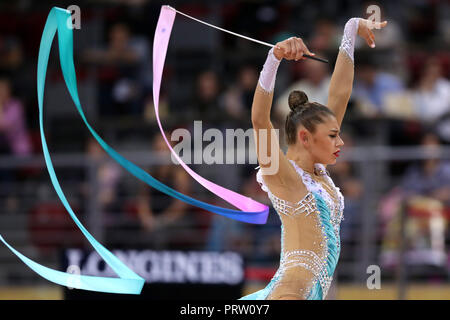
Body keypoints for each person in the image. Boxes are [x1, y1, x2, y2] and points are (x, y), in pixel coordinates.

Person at [240, 18, 387, 300]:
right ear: (306, 138)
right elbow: (260, 120)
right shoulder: (284, 175)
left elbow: (341, 93)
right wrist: (274, 57)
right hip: (290, 294)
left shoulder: (317, 170)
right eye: (333, 136)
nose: (340, 142)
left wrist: (350, 30)